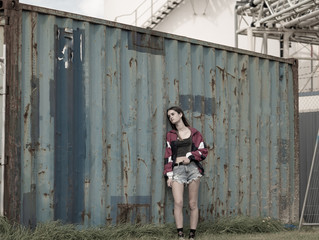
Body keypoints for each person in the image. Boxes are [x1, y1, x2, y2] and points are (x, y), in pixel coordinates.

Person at [164, 106, 208, 240]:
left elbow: (203, 151)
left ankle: (192, 234)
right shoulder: (171, 135)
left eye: (173, 114)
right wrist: (169, 175)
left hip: (193, 169)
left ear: (180, 114)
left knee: (192, 203)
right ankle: (180, 234)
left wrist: (190, 156)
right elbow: (168, 155)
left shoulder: (195, 133)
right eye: (169, 116)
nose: (171, 117)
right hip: (177, 170)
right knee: (178, 202)